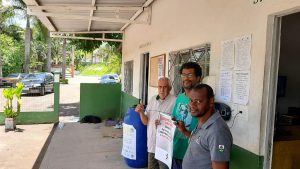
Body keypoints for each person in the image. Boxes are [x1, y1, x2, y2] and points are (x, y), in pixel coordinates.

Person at [182, 84, 233, 169]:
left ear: (211, 101)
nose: (192, 105)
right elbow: (200, 142)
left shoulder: (218, 132)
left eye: (198, 101)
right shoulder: (203, 121)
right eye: (191, 100)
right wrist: (183, 130)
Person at [135, 77, 176, 169]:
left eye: (165, 87)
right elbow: (145, 122)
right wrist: (141, 112)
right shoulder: (153, 99)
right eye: (160, 87)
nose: (162, 90)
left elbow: (177, 122)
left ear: (169, 88)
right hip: (152, 144)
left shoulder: (175, 101)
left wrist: (164, 123)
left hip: (164, 146)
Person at [171, 62, 202, 169]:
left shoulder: (202, 101)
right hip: (175, 150)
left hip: (193, 156)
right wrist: (163, 124)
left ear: (198, 78)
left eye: (190, 75)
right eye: (183, 75)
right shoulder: (179, 98)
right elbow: (173, 119)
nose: (186, 78)